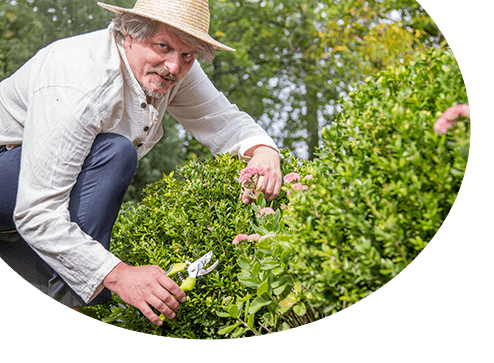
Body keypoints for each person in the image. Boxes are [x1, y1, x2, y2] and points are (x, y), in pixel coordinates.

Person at [0, 0, 281, 326]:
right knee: (114, 153)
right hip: (11, 176)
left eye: (187, 55)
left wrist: (264, 153)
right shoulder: (79, 83)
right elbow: (36, 211)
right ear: (129, 34)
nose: (174, 67)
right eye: (163, 46)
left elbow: (222, 120)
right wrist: (119, 275)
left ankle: (64, 303)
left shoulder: (175, 66)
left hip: (29, 200)